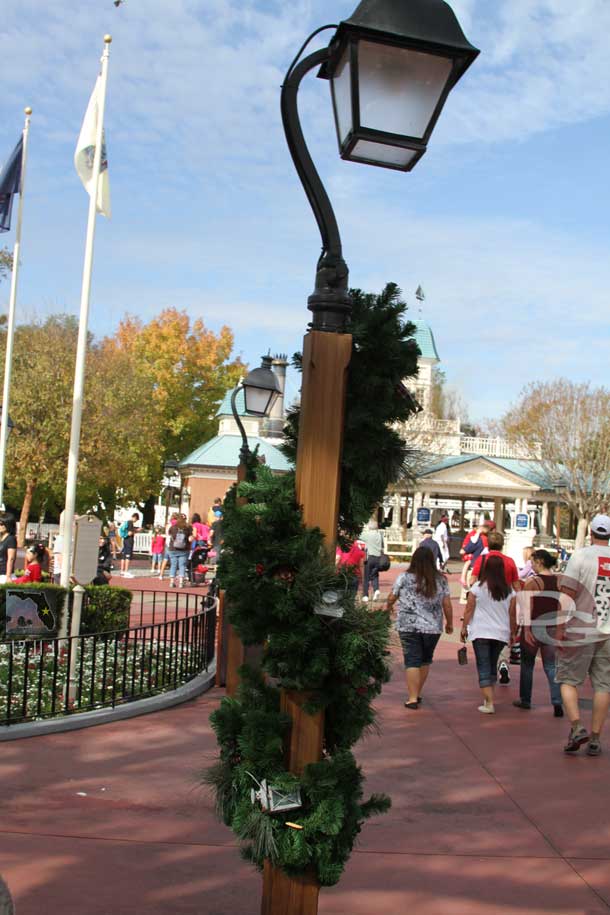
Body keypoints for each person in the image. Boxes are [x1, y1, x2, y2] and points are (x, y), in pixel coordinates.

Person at [556, 514, 610, 756]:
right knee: (603, 685)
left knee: (568, 679)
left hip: (580, 629)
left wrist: (559, 627)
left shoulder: (580, 556)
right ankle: (596, 737)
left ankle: (577, 726)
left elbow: (567, 594)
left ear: (591, 532)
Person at [386, 546, 453, 709]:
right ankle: (418, 692)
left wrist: (388, 607)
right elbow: (447, 604)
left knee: (412, 661)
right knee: (425, 660)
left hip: (408, 625)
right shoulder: (441, 580)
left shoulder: (404, 577)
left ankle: (412, 697)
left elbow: (392, 596)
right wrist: (449, 623)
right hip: (432, 627)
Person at [461, 555, 517, 714]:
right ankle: (488, 699)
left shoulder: (477, 588)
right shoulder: (509, 591)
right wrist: (513, 632)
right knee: (492, 666)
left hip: (481, 632)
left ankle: (489, 702)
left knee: (483, 665)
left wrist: (464, 627)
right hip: (501, 633)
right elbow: (512, 615)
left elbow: (469, 609)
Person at [513, 549, 563, 716]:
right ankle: (557, 701)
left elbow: (528, 607)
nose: (531, 565)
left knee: (527, 664)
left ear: (540, 562)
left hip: (535, 625)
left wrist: (525, 629)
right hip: (552, 626)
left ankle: (525, 699)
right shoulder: (559, 580)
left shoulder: (533, 582)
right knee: (550, 665)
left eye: (533, 562)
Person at [470, 530, 520, 685]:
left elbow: (472, 579)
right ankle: (503, 661)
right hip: (505, 600)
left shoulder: (482, 559)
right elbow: (516, 584)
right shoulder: (510, 561)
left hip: (485, 601)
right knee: (503, 630)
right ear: (502, 544)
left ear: (488, 544)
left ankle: (487, 679)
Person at [360, 522, 384, 602]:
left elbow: (359, 535)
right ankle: (376, 589)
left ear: (369, 527)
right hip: (378, 558)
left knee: (366, 577)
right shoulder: (379, 535)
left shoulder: (367, 534)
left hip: (369, 557)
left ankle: (365, 595)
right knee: (375, 575)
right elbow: (382, 546)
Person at [167, 514, 192, 588]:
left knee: (173, 565)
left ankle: (172, 582)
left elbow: (169, 534)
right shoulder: (188, 527)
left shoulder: (173, 527)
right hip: (184, 549)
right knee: (182, 565)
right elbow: (190, 538)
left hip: (173, 548)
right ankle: (181, 582)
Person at [119, 513, 140, 578]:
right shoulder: (130, 523)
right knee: (128, 556)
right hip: (129, 541)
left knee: (123, 556)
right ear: (134, 517)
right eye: (136, 519)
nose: (136, 521)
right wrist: (137, 530)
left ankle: (122, 571)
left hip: (125, 540)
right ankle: (126, 572)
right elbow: (130, 533)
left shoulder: (126, 522)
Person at [0, 516, 17, 583]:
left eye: (1, 524)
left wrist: (8, 576)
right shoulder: (1, 538)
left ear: (8, 525)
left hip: (4, 575)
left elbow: (11, 558)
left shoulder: (11, 539)